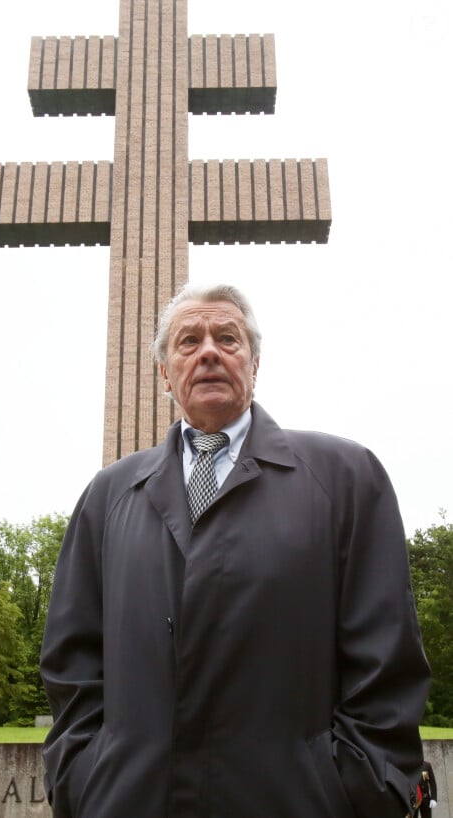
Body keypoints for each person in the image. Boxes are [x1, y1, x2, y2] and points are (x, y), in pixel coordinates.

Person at [40, 282, 431, 818]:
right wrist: (82, 777)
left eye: (228, 338)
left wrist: (358, 791)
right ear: (164, 373)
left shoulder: (345, 479)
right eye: (188, 341)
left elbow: (387, 661)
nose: (208, 351)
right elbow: (72, 661)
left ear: (254, 363)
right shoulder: (109, 495)